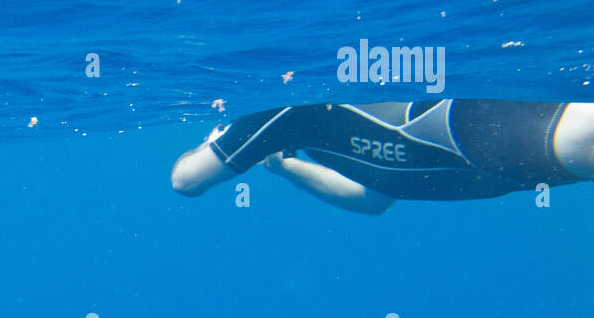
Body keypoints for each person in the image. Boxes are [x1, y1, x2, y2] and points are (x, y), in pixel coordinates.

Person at [170, 99, 594, 214]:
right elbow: (372, 198)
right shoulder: (311, 131)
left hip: (483, 127)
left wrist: (217, 140)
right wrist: (285, 166)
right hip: (508, 137)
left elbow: (185, 180)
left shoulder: (279, 112)